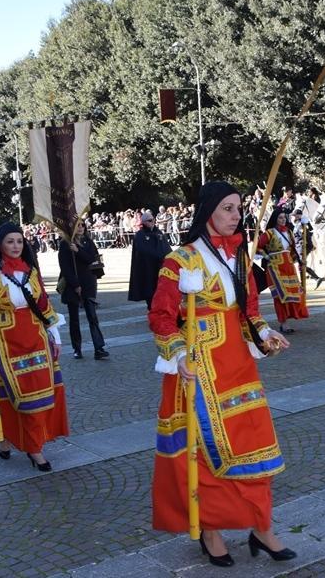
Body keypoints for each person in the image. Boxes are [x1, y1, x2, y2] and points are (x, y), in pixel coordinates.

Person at [148, 181, 295, 567]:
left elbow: (249, 308)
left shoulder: (241, 257)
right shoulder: (180, 260)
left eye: (238, 208)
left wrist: (265, 332)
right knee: (204, 451)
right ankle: (210, 530)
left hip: (239, 364)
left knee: (254, 443)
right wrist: (178, 353)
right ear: (209, 210)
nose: (236, 215)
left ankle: (261, 527)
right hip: (198, 367)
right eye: (228, 208)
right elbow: (162, 317)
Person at [0, 223, 68, 471]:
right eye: (10, 241)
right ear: (0, 244)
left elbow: (44, 305)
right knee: (6, 397)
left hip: (36, 338)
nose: (15, 246)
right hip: (2, 343)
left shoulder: (32, 272)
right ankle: (5, 439)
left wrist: (56, 336)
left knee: (40, 396)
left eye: (19, 241)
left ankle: (35, 447)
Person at [58, 222, 109, 360]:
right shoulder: (65, 243)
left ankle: (99, 347)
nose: (80, 228)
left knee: (92, 317)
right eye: (77, 226)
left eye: (82, 225)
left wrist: (78, 251)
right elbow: (65, 267)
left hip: (88, 284)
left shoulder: (88, 242)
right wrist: (75, 285)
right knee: (74, 319)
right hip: (72, 285)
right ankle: (77, 348)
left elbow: (91, 259)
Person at [256, 207, 309, 333]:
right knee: (280, 296)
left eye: (284, 217)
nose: (283, 220)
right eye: (280, 217)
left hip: (289, 267)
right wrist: (266, 256)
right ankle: (283, 323)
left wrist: (301, 261)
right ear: (275, 218)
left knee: (294, 293)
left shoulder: (289, 232)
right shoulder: (269, 233)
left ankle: (289, 319)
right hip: (274, 267)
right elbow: (257, 247)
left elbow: (292, 251)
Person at [128, 211, 171, 310]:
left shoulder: (159, 233)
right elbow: (143, 250)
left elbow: (166, 247)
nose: (153, 222)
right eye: (150, 220)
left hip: (160, 267)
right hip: (147, 268)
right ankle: (152, 309)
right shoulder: (140, 235)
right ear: (144, 222)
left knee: (161, 289)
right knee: (149, 290)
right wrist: (158, 255)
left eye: (153, 219)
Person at [290, 207, 323, 290]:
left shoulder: (302, 224)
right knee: (300, 264)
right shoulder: (298, 223)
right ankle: (316, 278)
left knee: (301, 265)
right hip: (298, 247)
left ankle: (307, 282)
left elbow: (304, 235)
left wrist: (303, 241)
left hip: (302, 246)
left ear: (298, 216)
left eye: (294, 216)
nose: (292, 217)